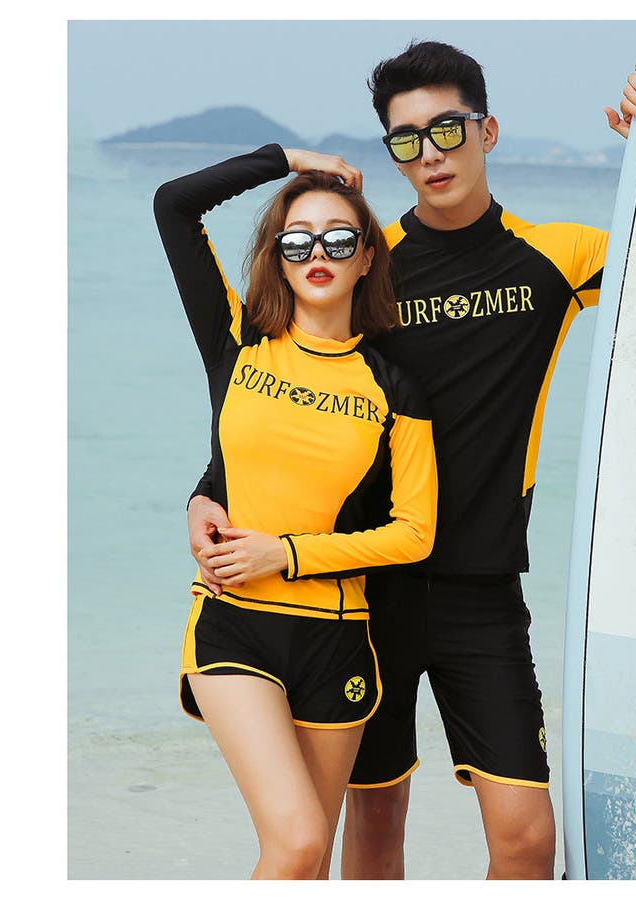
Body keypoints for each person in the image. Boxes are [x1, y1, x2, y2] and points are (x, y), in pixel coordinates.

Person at [187, 42, 636, 880]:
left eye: (448, 129)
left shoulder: (561, 257)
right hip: (367, 594)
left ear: (488, 131)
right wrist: (207, 489)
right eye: (407, 139)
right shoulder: (367, 264)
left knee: (527, 840)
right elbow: (275, 398)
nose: (430, 153)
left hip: (483, 590)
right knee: (374, 824)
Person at [153, 148, 438, 879]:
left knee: (306, 866)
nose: (318, 254)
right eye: (297, 240)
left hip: (337, 640)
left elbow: (414, 534)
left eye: (339, 239)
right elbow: (174, 205)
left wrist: (285, 552)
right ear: (277, 258)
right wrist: (290, 160)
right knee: (299, 841)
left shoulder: (394, 388)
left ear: (367, 258)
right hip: (233, 622)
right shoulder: (240, 343)